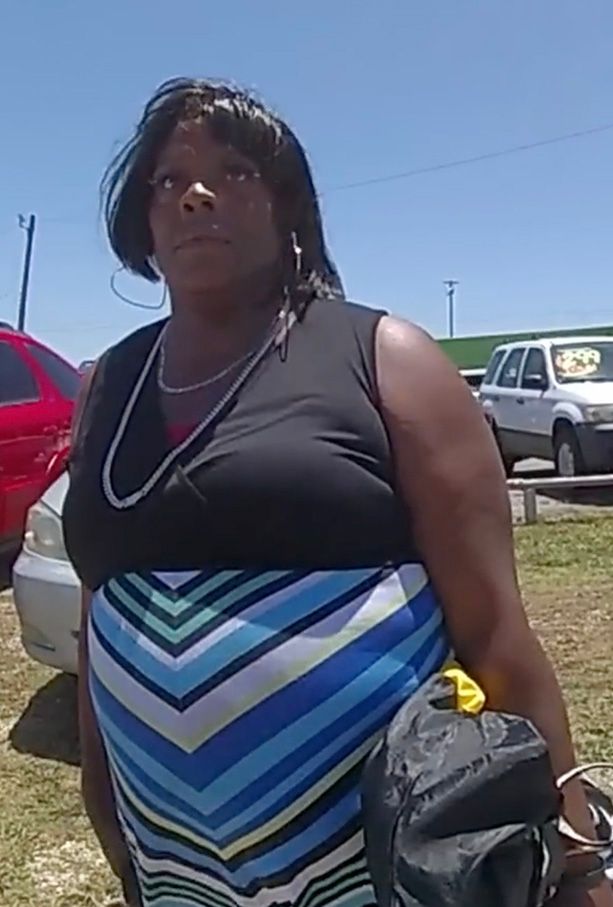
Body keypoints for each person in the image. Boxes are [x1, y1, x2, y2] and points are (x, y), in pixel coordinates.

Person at [63, 78, 612, 907]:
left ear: (289, 208)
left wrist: (576, 861)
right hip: (176, 872)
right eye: (167, 180)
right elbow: (97, 615)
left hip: (377, 871)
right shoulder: (109, 384)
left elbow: (496, 630)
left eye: (233, 171)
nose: (194, 194)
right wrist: (108, 817)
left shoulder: (387, 360)